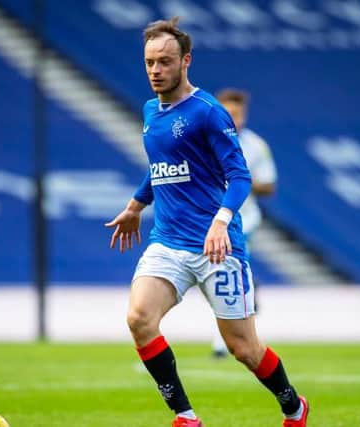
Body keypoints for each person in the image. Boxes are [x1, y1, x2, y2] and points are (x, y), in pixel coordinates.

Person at [105, 17, 309, 427]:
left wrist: (220, 221)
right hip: (167, 241)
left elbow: (240, 176)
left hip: (218, 247)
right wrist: (134, 205)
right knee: (138, 319)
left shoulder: (208, 113)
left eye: (164, 61)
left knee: (244, 348)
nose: (155, 70)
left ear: (186, 62)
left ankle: (293, 406)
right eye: (149, 62)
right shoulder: (150, 111)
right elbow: (160, 166)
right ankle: (186, 417)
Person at [210, 88, 277, 358]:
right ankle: (249, 285)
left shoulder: (256, 146)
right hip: (209, 221)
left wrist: (243, 183)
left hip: (242, 221)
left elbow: (269, 185)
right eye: (227, 113)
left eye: (236, 114)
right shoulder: (204, 141)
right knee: (218, 277)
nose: (232, 119)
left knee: (222, 275)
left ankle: (222, 343)